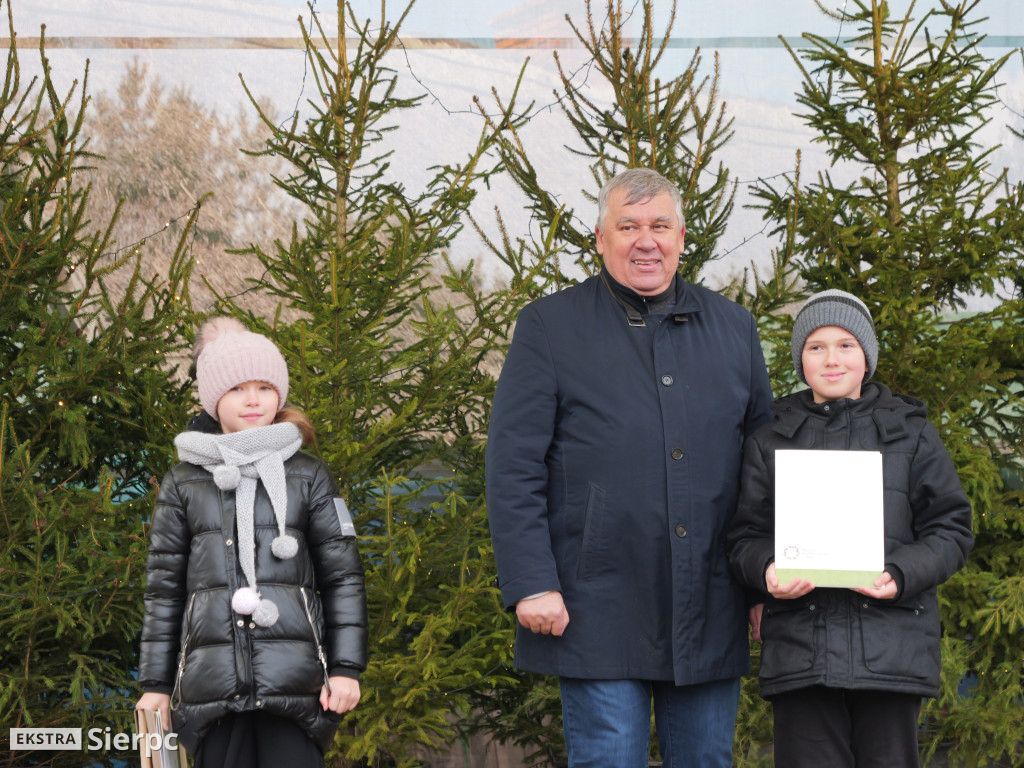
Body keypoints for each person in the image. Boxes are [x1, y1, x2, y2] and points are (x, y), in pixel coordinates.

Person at [486, 167, 774, 767]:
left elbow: (761, 468)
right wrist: (530, 580)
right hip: (597, 605)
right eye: (629, 226)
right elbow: (514, 463)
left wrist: (760, 580)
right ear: (599, 238)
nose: (647, 240)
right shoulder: (549, 326)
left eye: (660, 225)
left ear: (682, 236)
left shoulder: (735, 329)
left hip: (711, 601)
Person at [727, 289, 974, 768]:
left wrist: (900, 573)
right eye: (816, 346)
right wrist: (767, 571)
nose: (832, 359)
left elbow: (952, 528)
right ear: (801, 359)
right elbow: (743, 538)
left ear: (867, 357)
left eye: (846, 345)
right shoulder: (769, 439)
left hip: (892, 648)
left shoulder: (913, 433)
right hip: (802, 653)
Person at [136, 317, 368, 768]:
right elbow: (164, 589)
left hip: (296, 684)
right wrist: (156, 684)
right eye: (238, 388)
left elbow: (343, 578)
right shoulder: (184, 481)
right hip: (211, 688)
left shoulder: (309, 474)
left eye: (264, 387)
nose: (252, 399)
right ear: (213, 398)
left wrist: (345, 669)